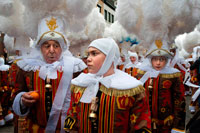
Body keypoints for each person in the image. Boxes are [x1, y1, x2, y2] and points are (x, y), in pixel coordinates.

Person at [11, 16, 87, 133]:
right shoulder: (27, 68)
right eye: (46, 45)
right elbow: (16, 95)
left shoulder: (76, 68)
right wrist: (22, 100)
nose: (51, 50)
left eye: (56, 45)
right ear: (39, 47)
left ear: (62, 48)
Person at [65, 38, 151, 133]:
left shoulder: (131, 88)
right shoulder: (80, 84)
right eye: (88, 54)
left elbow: (140, 124)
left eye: (94, 53)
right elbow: (72, 118)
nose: (88, 58)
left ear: (109, 57)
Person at [134, 40, 185, 133]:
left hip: (166, 121)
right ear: (150, 60)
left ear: (166, 60)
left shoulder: (174, 75)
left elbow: (180, 100)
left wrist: (178, 126)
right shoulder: (142, 73)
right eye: (155, 59)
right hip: (145, 121)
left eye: (161, 59)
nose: (158, 63)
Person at [0, 57, 13, 126]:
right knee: (5, 103)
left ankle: (3, 117)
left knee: (3, 103)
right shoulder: (6, 69)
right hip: (7, 89)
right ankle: (6, 115)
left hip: (3, 89)